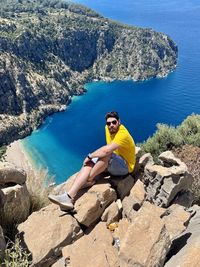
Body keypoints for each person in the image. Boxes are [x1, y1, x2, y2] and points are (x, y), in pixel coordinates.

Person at [48, 111, 136, 211]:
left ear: (119, 121)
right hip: (113, 163)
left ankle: (88, 180)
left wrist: (90, 156)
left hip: (125, 167)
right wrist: (91, 159)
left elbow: (107, 150)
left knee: (105, 155)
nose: (111, 125)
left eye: (114, 122)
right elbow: (106, 149)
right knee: (89, 163)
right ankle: (68, 197)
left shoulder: (122, 134)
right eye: (108, 123)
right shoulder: (107, 129)